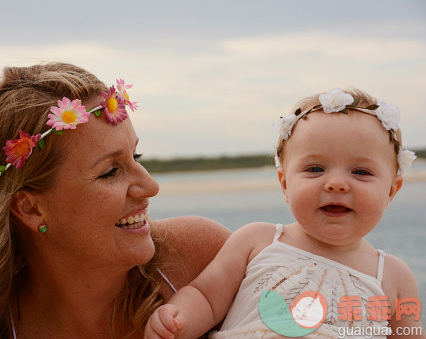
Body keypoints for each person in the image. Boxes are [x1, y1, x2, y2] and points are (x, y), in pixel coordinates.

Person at [0, 62, 231, 338]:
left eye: (137, 156)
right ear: (30, 208)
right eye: (110, 171)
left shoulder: (205, 260)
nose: (150, 185)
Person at [145, 88, 425, 339]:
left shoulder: (393, 276)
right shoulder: (258, 241)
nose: (336, 183)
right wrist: (179, 318)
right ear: (285, 184)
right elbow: (206, 296)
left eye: (361, 172)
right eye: (315, 169)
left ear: (391, 191)